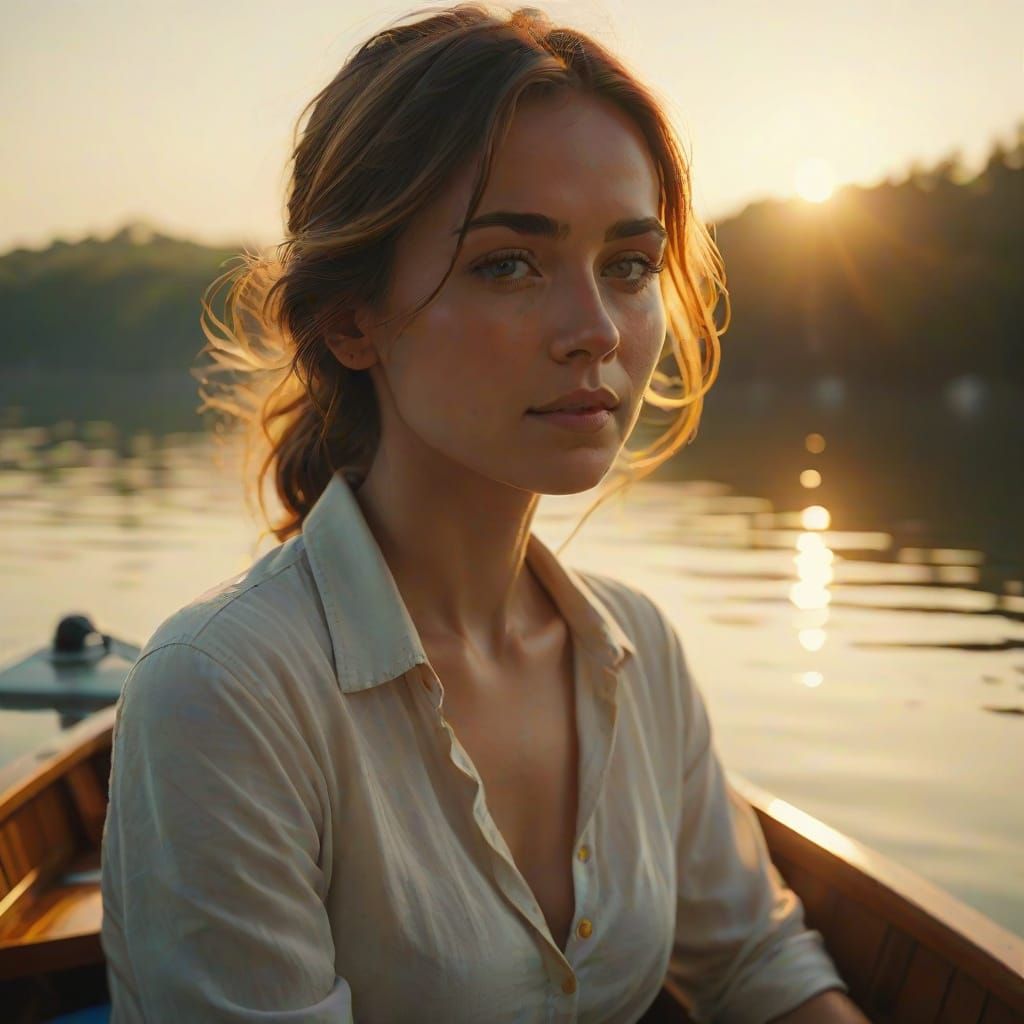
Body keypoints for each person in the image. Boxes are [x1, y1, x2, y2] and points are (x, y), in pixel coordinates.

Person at [100, 4, 870, 1022]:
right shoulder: (225, 691)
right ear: (350, 320)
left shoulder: (636, 650)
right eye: (509, 263)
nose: (594, 330)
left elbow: (753, 966)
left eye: (629, 267)